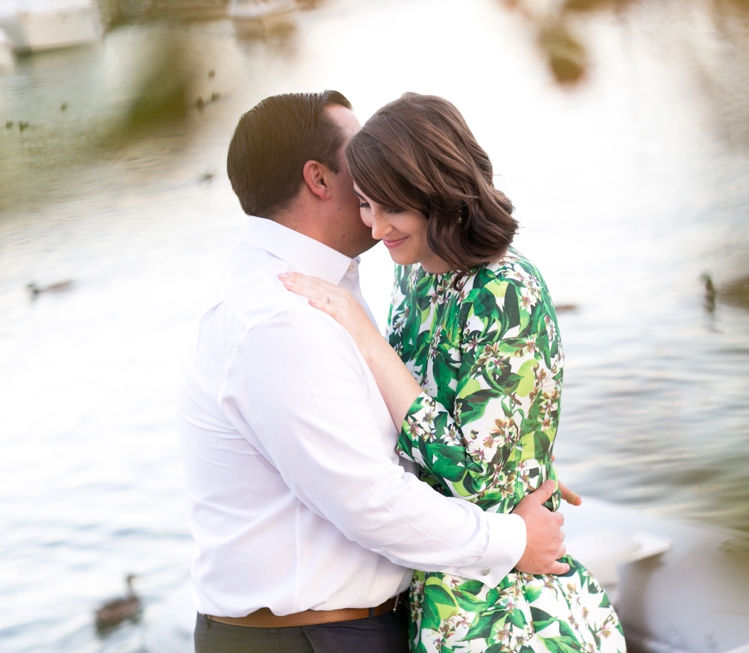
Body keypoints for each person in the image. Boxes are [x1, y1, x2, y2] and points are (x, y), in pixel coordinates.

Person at [176, 90, 569, 653]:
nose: (373, 170)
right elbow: (370, 502)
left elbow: (396, 428)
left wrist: (521, 455)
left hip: (341, 626)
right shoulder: (283, 318)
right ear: (318, 179)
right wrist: (513, 540)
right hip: (311, 637)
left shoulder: (324, 286)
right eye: (357, 154)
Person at [281, 93, 626, 653]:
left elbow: (472, 473)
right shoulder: (416, 278)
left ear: (436, 192)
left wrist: (365, 338)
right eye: (367, 205)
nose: (374, 228)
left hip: (503, 612)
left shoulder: (504, 289)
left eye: (390, 208)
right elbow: (427, 418)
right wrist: (526, 456)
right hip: (445, 587)